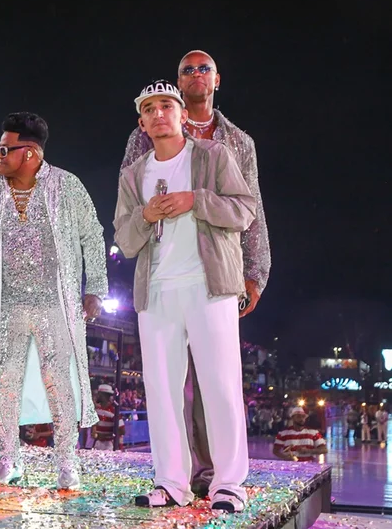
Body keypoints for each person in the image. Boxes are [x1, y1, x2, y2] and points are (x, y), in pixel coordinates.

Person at [120, 50, 271, 496]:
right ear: (141, 123)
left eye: (166, 106)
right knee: (162, 390)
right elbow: (124, 235)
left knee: (220, 385)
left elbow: (249, 209)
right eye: (149, 109)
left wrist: (196, 201)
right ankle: (171, 481)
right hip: (156, 290)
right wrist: (145, 215)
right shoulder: (133, 169)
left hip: (211, 284)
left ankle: (229, 482)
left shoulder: (224, 149)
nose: (158, 114)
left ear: (182, 113)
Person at [0, 112, 108, 490]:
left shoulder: (66, 185)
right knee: (4, 379)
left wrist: (95, 287)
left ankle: (67, 462)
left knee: (58, 380)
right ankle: (9, 458)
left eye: (4, 149)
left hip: (54, 302)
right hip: (5, 302)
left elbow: (92, 235)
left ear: (29, 153)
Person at [88, 384, 124, 451]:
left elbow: (122, 431)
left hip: (109, 446)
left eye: (99, 394)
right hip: (98, 444)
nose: (97, 396)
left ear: (105, 396)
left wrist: (106, 436)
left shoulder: (114, 412)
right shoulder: (97, 411)